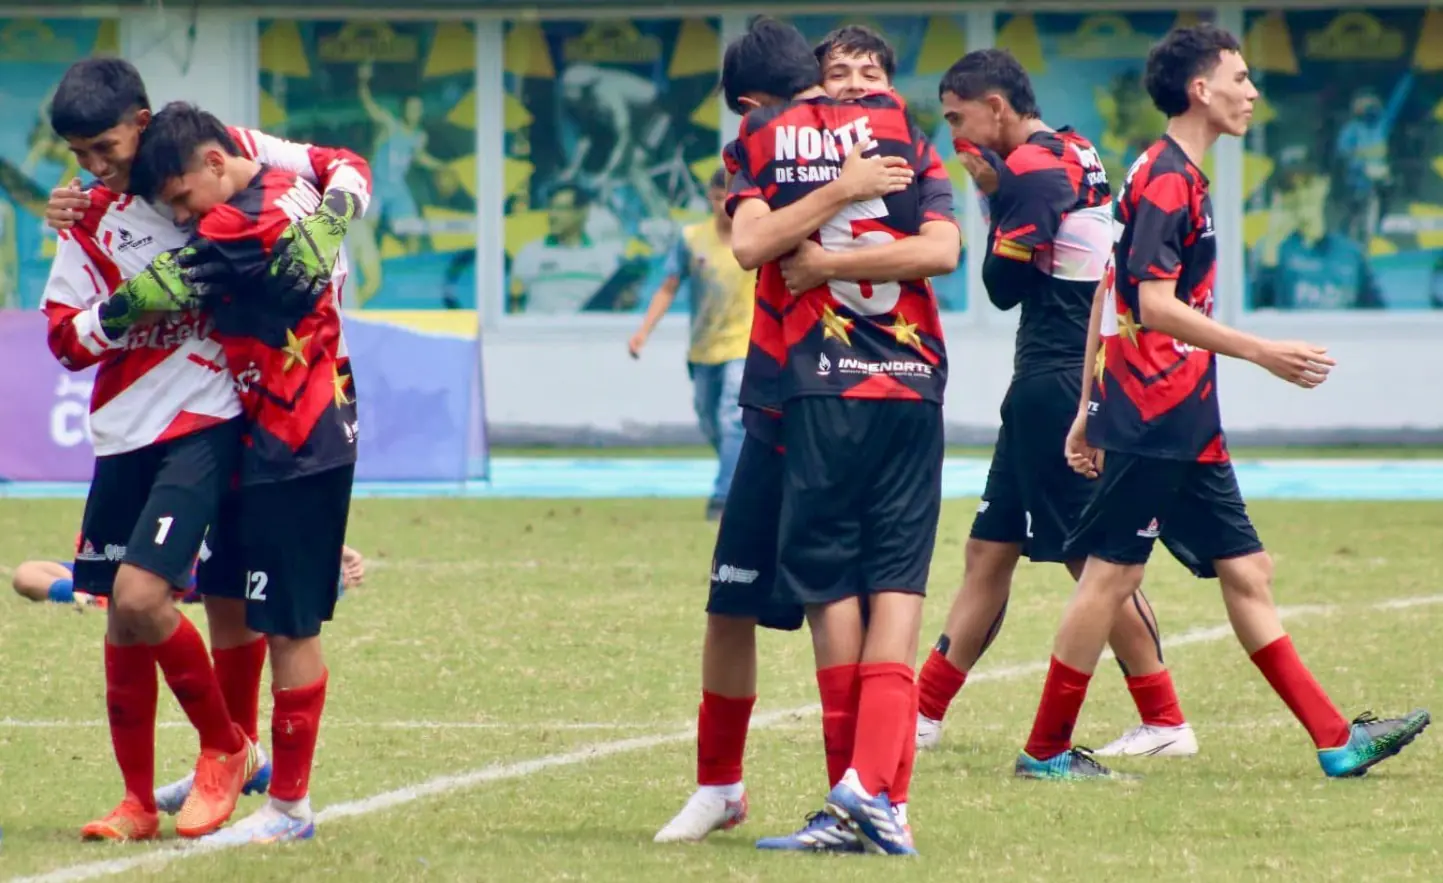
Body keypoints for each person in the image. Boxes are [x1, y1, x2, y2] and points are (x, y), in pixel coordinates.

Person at [1019, 23, 1429, 781]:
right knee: (1109, 577)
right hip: (1153, 413)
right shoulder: (1166, 177)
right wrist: (1260, 350)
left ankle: (1335, 738)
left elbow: (1111, 300)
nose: (1251, 91)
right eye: (1239, 78)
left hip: (1182, 412)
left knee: (1247, 570)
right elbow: (1149, 301)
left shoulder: (1176, 174)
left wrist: (1085, 400)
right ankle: (1044, 750)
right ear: (1200, 90)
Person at [42, 57, 371, 841]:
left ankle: (244, 762)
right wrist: (120, 307)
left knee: (180, 599)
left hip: (235, 420)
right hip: (130, 430)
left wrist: (328, 226)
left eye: (103, 146)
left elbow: (342, 165)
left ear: (144, 123)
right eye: (78, 155)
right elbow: (65, 336)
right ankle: (163, 783)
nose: (93, 165)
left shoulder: (224, 174)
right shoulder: (89, 213)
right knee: (158, 610)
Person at [654, 23, 950, 854]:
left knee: (846, 600)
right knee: (732, 600)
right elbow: (755, 241)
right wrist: (839, 189)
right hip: (782, 401)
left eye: (862, 74)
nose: (846, 90)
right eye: (831, 76)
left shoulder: (869, 142)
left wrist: (828, 225)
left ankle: (859, 797)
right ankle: (722, 784)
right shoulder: (784, 147)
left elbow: (938, 247)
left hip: (833, 393)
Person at [912, 49, 1197, 760]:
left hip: (1057, 377)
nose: (956, 137)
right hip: (1044, 376)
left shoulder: (1032, 171)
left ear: (996, 108)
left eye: (958, 118)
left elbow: (1001, 288)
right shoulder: (1072, 145)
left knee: (1091, 563)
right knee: (988, 549)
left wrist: (986, 195)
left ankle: (1164, 720)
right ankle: (920, 712)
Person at [129, 100, 361, 844]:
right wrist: (334, 214)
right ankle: (236, 756)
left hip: (299, 438)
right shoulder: (291, 182)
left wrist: (93, 315)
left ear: (214, 163)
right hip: (273, 429)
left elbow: (150, 292)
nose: (184, 217)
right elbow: (344, 161)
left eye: (181, 200)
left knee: (288, 624)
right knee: (236, 598)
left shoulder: (231, 223)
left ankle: (289, 808)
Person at [629, 168, 753, 519]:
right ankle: (739, 474)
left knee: (733, 417)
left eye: (729, 198)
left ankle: (723, 497)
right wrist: (643, 332)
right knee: (708, 416)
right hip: (703, 345)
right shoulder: (692, 238)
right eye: (716, 198)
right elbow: (668, 287)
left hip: (744, 345)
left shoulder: (758, 236)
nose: (723, 206)